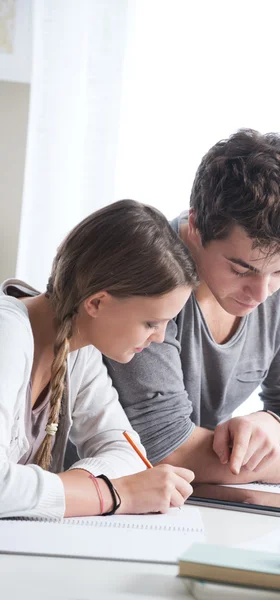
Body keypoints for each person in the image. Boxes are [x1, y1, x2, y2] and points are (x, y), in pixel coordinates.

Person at [106, 130, 280, 486]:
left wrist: (275, 426)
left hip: (189, 505)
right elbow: (166, 449)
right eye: (240, 269)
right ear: (197, 225)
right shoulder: (147, 275)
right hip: (99, 498)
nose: (262, 293)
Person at [0, 199, 198, 519]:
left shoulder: (81, 348)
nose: (160, 337)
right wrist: (116, 493)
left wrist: (74, 491)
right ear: (96, 302)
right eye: (151, 323)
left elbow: (127, 455)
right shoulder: (7, 334)